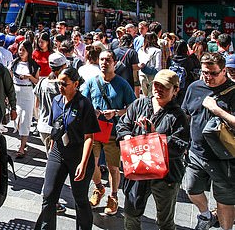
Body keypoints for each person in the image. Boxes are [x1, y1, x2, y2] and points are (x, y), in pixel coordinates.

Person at [116, 69, 190, 230]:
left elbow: (179, 146)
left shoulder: (178, 116)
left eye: (164, 86)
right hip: (137, 170)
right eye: (156, 85)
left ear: (175, 90)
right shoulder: (139, 104)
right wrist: (127, 137)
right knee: (131, 214)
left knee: (165, 221)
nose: (158, 89)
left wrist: (154, 136)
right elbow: (122, 125)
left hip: (166, 175)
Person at [35, 67, 99, 230]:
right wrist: (51, 152)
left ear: (76, 84)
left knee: (80, 199)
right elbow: (54, 130)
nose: (60, 87)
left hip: (78, 155)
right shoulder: (56, 100)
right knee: (48, 195)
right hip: (58, 151)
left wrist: (83, 164)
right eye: (59, 83)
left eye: (64, 84)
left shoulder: (84, 104)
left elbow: (89, 138)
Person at [182, 52, 235, 230]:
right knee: (191, 189)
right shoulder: (194, 87)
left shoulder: (232, 92)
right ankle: (205, 215)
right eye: (205, 72)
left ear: (224, 71)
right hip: (196, 152)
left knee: (224, 199)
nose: (208, 77)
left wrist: (217, 110)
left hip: (223, 158)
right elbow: (186, 115)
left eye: (213, 73)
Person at [81, 49, 136, 216]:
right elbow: (83, 102)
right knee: (92, 165)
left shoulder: (122, 84)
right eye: (102, 60)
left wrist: (117, 112)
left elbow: (133, 107)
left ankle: (113, 196)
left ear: (114, 62)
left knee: (113, 167)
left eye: (108, 60)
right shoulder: (92, 82)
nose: (104, 63)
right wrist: (92, 112)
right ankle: (99, 188)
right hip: (94, 130)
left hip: (114, 132)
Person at [9, 40, 40, 158]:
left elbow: (37, 81)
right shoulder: (14, 63)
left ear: (28, 51)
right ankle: (23, 140)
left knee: (25, 119)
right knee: (16, 120)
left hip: (27, 93)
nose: (20, 52)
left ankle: (22, 147)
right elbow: (9, 78)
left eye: (23, 50)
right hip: (16, 92)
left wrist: (29, 77)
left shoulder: (33, 65)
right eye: (19, 49)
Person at [138, 32, 162, 96]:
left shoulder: (141, 50)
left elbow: (139, 63)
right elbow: (158, 66)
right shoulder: (157, 51)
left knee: (145, 96)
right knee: (151, 96)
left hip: (142, 74)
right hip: (153, 76)